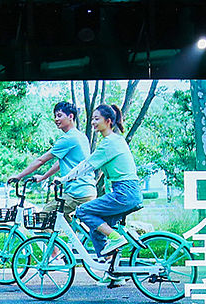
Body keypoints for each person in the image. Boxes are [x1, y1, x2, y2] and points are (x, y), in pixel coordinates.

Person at [57, 104, 142, 280]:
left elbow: (87, 165)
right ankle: (113, 273)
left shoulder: (109, 143)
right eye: (92, 119)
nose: (93, 122)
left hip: (124, 192)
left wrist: (64, 179)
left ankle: (115, 238)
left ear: (108, 121)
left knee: (82, 211)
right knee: (96, 229)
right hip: (128, 191)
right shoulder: (116, 140)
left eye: (97, 119)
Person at [5, 101, 97, 229]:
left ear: (70, 116)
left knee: (45, 214)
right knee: (63, 220)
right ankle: (73, 240)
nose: (56, 119)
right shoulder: (81, 136)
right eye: (55, 116)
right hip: (87, 189)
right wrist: (43, 177)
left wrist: (19, 176)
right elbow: (60, 163)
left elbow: (40, 160)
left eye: (59, 115)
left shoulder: (68, 139)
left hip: (77, 193)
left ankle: (52, 243)